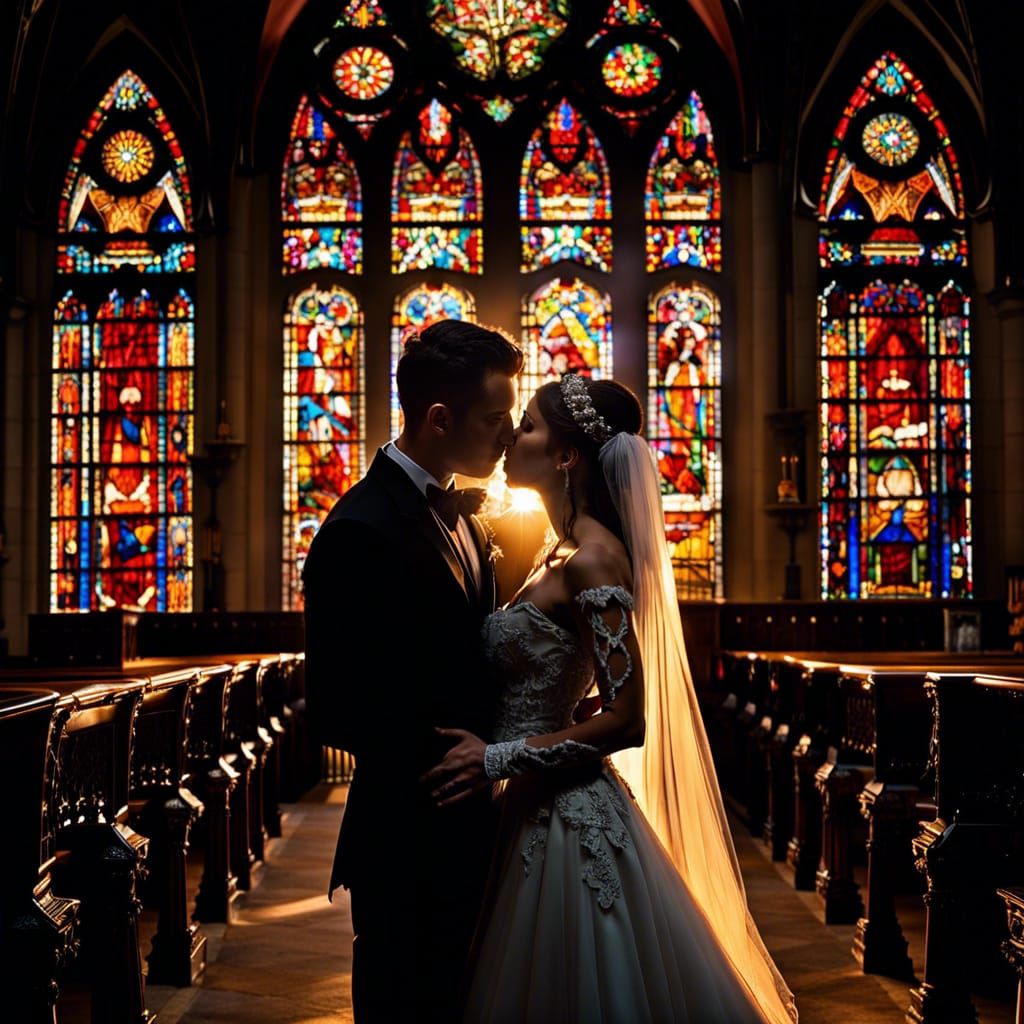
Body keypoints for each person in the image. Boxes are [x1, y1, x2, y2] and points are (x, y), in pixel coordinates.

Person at [422, 373, 798, 1023]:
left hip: (566, 815)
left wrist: (494, 758)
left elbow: (629, 720)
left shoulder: (593, 558)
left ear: (567, 457)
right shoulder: (556, 548)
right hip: (529, 804)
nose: (515, 436)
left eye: (531, 427)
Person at [302, 319, 523, 1021]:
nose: (508, 436)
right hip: (409, 834)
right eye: (494, 419)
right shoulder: (359, 531)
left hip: (477, 824)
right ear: (438, 417)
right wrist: (452, 758)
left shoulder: (468, 519)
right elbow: (336, 704)